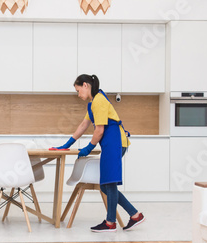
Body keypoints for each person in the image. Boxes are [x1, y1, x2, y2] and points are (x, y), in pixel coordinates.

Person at [53, 74, 145, 232]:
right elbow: (83, 125)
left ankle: (111, 223)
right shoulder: (93, 103)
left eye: (78, 90)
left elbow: (100, 130)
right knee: (106, 185)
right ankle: (134, 215)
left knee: (109, 183)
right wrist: (66, 145)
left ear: (85, 85)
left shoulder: (99, 101)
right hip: (111, 143)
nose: (78, 94)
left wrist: (88, 148)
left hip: (115, 142)